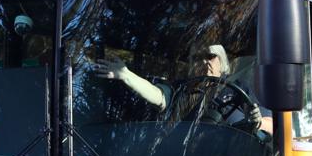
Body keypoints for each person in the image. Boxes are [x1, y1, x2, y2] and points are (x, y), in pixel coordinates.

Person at [95, 44, 273, 133]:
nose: (204, 61)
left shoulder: (240, 88)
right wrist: (127, 76)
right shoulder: (182, 89)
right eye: (197, 58)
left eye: (210, 56)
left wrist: (257, 122)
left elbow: (273, 126)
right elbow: (159, 96)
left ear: (222, 61)